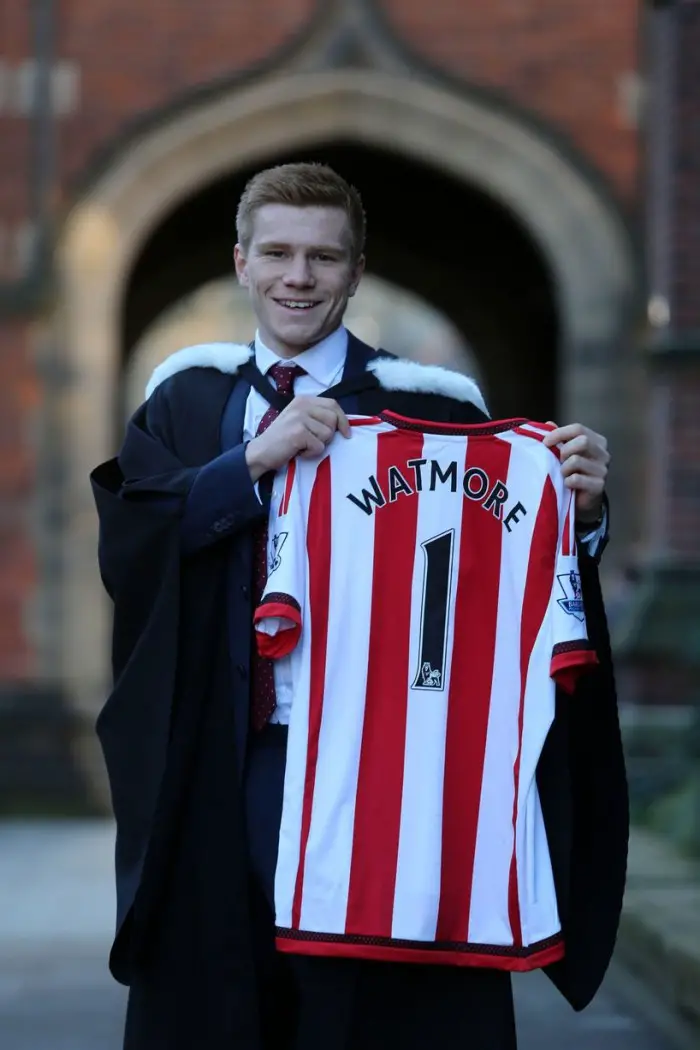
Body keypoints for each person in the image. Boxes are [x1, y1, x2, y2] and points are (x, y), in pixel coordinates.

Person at [91, 163, 628, 1050]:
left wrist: (584, 515)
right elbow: (133, 549)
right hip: (223, 761)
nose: (298, 277)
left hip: (390, 769)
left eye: (322, 258)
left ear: (355, 270)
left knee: (369, 1009)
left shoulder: (432, 407)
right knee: (219, 998)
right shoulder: (186, 400)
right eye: (278, 254)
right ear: (241, 261)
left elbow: (509, 581)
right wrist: (253, 463)